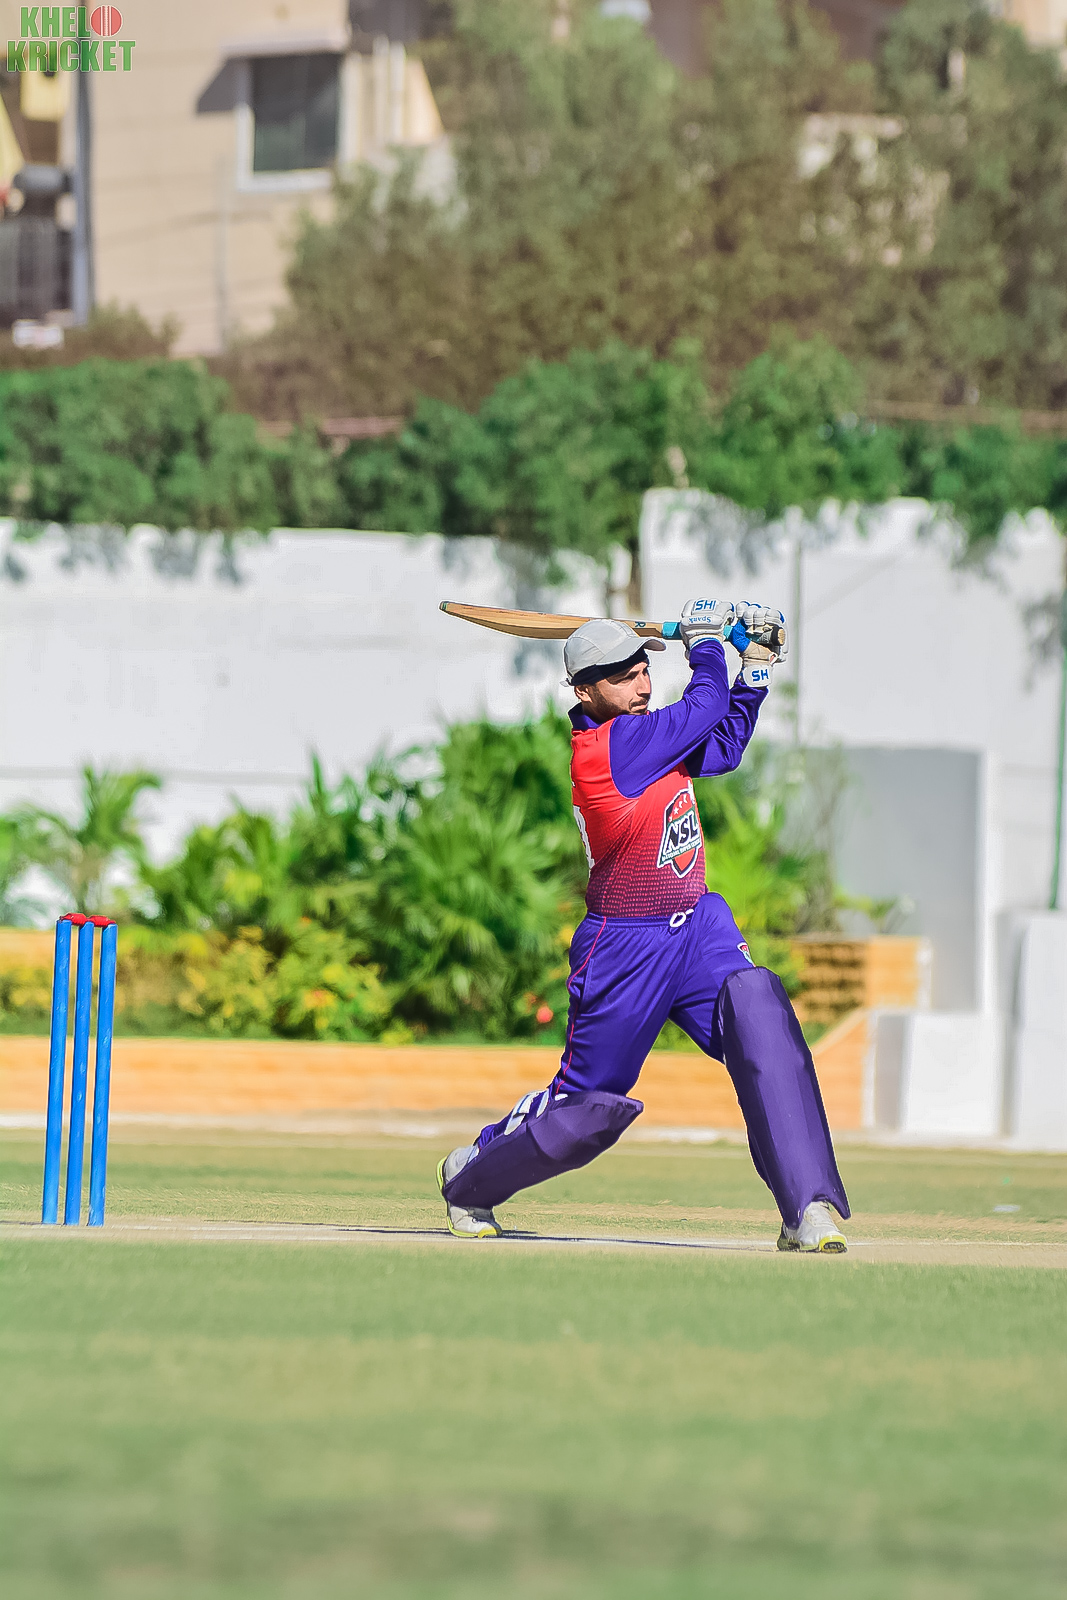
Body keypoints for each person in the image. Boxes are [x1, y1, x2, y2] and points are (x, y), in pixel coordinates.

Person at [437, 597, 850, 1252]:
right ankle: (472, 1174)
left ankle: (807, 1208)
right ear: (583, 692)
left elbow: (722, 744)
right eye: (621, 676)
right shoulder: (610, 749)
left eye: (642, 669)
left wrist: (754, 669)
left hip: (698, 930)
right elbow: (704, 706)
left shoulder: (651, 738)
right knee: (583, 1113)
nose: (641, 684)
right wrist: (706, 644)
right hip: (625, 945)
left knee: (761, 1017)